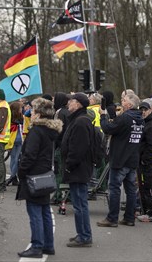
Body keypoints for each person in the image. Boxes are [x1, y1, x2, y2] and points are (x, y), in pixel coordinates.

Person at [16, 98, 61, 258]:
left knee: (35, 211)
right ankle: (48, 245)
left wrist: (21, 171)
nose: (31, 113)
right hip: (45, 173)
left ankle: (36, 246)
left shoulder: (37, 131)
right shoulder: (50, 131)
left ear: (39, 114)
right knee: (44, 211)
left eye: (33, 111)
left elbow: (30, 155)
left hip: (34, 174)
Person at [98, 92, 143, 227]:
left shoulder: (125, 118)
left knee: (114, 188)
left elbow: (107, 129)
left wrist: (103, 116)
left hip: (120, 158)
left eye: (123, 101)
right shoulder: (140, 119)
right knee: (130, 190)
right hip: (132, 158)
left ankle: (112, 218)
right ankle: (129, 217)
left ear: (129, 104)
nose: (121, 103)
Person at [61, 92, 94, 247]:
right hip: (79, 168)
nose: (69, 103)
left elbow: (78, 149)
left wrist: (69, 165)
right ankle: (82, 233)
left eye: (72, 101)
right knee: (78, 204)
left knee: (80, 204)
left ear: (79, 104)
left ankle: (85, 236)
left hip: (78, 169)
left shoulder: (81, 122)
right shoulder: (78, 120)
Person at [136, 99, 152, 223]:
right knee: (143, 186)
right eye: (141, 110)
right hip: (142, 161)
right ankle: (145, 210)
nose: (143, 112)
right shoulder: (144, 123)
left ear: (151, 110)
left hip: (149, 162)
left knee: (150, 186)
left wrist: (146, 160)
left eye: (145, 109)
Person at [6, 101, 24, 186]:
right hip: (18, 139)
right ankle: (12, 176)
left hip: (11, 139)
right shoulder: (20, 118)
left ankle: (13, 178)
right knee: (17, 159)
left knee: (13, 159)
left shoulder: (9, 117)